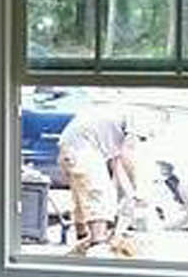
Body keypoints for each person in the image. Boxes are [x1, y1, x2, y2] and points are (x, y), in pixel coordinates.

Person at [57, 104, 155, 257]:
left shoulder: (117, 120)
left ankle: (83, 239)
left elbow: (117, 163)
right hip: (82, 146)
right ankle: (98, 245)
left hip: (70, 147)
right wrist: (139, 188)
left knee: (83, 194)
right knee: (100, 193)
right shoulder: (141, 117)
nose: (144, 139)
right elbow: (128, 154)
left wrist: (131, 193)